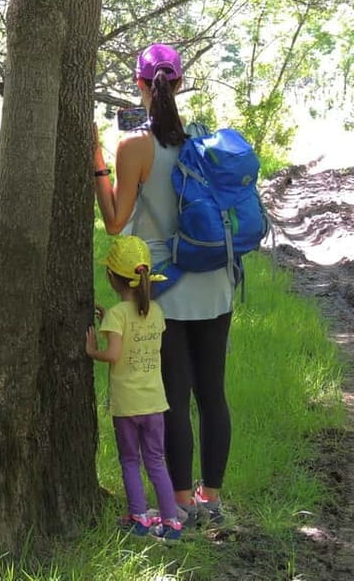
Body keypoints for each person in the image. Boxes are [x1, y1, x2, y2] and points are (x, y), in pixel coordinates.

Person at [93, 43, 233, 527]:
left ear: (140, 86)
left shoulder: (133, 147)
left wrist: (98, 165)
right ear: (179, 84)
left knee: (170, 394)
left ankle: (182, 502)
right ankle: (210, 496)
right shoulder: (204, 140)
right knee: (212, 394)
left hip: (163, 288)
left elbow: (115, 223)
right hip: (215, 282)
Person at [85, 235, 181, 541]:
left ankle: (139, 518)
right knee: (156, 461)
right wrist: (109, 322)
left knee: (130, 460)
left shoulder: (117, 314)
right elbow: (138, 332)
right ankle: (171, 522)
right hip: (155, 402)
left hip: (127, 405)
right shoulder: (156, 312)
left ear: (112, 278)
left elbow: (113, 354)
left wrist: (92, 350)